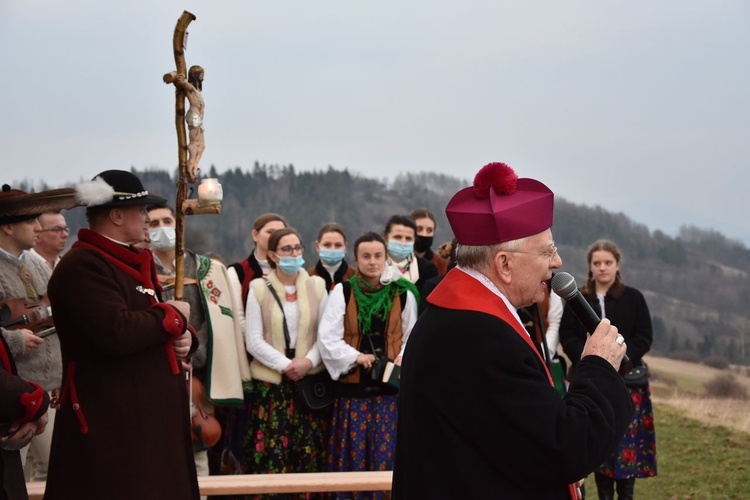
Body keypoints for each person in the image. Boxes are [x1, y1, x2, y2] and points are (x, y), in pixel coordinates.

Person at [392, 162, 635, 499]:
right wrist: (598, 367)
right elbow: (564, 448)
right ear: (504, 264)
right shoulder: (482, 337)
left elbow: (507, 442)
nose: (557, 262)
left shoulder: (454, 317)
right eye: (547, 250)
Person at [44, 170, 200, 499]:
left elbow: (149, 323)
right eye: (141, 210)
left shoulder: (126, 259)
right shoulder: (83, 266)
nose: (147, 218)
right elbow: (117, 331)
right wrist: (173, 317)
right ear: (116, 215)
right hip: (113, 423)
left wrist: (183, 338)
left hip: (146, 422)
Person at [147, 203, 250, 488]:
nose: (162, 228)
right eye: (153, 223)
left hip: (197, 375)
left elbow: (216, 319)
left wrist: (192, 348)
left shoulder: (206, 269)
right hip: (153, 372)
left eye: (167, 220)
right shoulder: (138, 269)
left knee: (198, 454)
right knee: (156, 454)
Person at [318, 231, 417, 500]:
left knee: (388, 460)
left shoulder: (403, 293)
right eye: (366, 256)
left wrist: (402, 357)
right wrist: (355, 357)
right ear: (356, 259)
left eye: (377, 256)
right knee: (352, 459)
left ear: (386, 258)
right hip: (353, 394)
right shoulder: (344, 290)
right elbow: (327, 338)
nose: (372, 262)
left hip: (389, 393)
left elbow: (412, 335)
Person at [559, 239, 657, 500]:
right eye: (597, 263)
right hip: (588, 379)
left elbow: (644, 336)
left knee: (627, 454)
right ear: (590, 267)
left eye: (608, 263)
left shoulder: (633, 298)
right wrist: (591, 362)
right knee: (598, 448)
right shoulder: (578, 298)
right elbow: (567, 335)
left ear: (617, 265)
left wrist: (622, 358)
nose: (602, 268)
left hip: (628, 382)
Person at [243, 227, 329, 480]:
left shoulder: (317, 285)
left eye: (297, 248)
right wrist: (286, 365)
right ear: (273, 255)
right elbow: (253, 340)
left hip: (308, 385)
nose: (294, 253)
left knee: (307, 454)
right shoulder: (259, 287)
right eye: (287, 249)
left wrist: (308, 362)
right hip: (272, 386)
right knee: (271, 455)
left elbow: (326, 335)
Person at [0, 186, 61, 483]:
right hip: (10, 396)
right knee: (12, 478)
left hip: (48, 390)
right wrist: (13, 340)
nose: (38, 228)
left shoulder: (36, 262)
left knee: (58, 473)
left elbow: (56, 311)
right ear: (8, 227)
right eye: (30, 222)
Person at [222, 213, 286, 475]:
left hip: (287, 364)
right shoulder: (238, 271)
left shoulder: (291, 270)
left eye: (280, 232)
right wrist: (265, 348)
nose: (274, 237)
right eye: (270, 231)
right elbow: (238, 318)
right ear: (255, 235)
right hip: (252, 361)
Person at [381, 215, 437, 306]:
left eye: (408, 238)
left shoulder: (427, 269)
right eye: (397, 237)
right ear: (386, 238)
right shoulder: (376, 266)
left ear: (414, 240)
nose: (403, 242)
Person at [164, 65, 206, 179]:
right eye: (201, 75)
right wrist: (180, 78)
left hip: (200, 118)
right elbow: (181, 83)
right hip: (194, 117)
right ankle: (190, 163)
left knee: (202, 145)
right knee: (194, 142)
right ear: (196, 76)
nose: (203, 77)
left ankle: (195, 163)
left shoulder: (197, 90)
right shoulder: (191, 87)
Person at [307, 222, 356, 292]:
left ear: (345, 247)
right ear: (317, 246)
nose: (332, 249)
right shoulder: (307, 277)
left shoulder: (356, 278)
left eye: (338, 245)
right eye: (327, 245)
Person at [409, 208, 450, 275]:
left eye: (429, 230)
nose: (424, 234)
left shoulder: (442, 263)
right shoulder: (399, 261)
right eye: (419, 229)